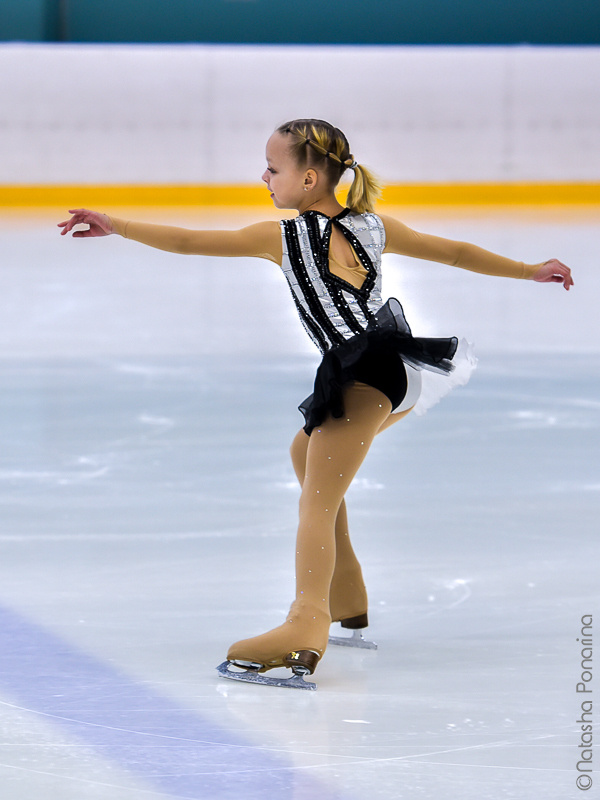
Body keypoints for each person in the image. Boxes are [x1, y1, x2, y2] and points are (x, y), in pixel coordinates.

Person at [59, 118, 573, 690]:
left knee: (317, 504)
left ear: (307, 178)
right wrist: (530, 270)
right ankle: (346, 597)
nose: (264, 176)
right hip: (387, 365)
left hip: (362, 373)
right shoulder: (373, 227)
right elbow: (452, 252)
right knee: (306, 455)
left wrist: (117, 225)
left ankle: (305, 629)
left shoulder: (283, 236)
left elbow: (190, 242)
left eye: (273, 169)